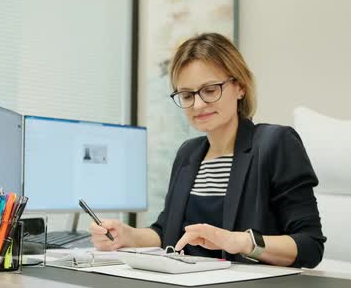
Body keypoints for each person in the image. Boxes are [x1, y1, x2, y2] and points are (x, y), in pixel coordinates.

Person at [89, 33, 326, 268]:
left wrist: (240, 241)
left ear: (240, 87)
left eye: (210, 90)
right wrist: (128, 236)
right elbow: (167, 231)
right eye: (187, 95)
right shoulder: (188, 153)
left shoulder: (276, 143)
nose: (198, 105)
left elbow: (309, 245)